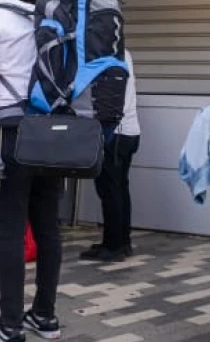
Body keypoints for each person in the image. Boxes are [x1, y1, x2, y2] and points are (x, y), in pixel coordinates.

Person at [0, 0, 63, 342]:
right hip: (51, 132)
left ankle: (8, 325)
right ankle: (45, 316)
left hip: (11, 134)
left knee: (8, 227)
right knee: (48, 225)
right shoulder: (41, 18)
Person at [81, 49, 141, 262]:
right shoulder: (124, 53)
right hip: (129, 130)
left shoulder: (105, 55)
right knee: (120, 188)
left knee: (110, 190)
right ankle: (120, 241)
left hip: (114, 132)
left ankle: (113, 246)